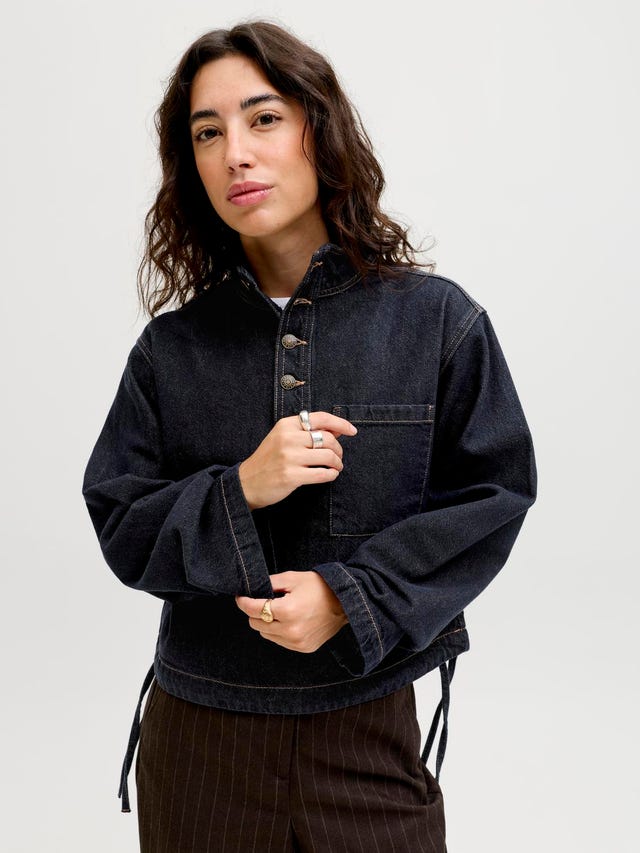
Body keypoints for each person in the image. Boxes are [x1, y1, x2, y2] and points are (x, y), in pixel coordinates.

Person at [82, 19, 537, 853]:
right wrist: (241, 487)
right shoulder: (169, 351)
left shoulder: (437, 323)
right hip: (201, 744)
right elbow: (120, 521)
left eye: (263, 118)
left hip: (368, 735)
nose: (235, 154)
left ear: (318, 132)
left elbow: (494, 495)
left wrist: (349, 597)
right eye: (207, 133)